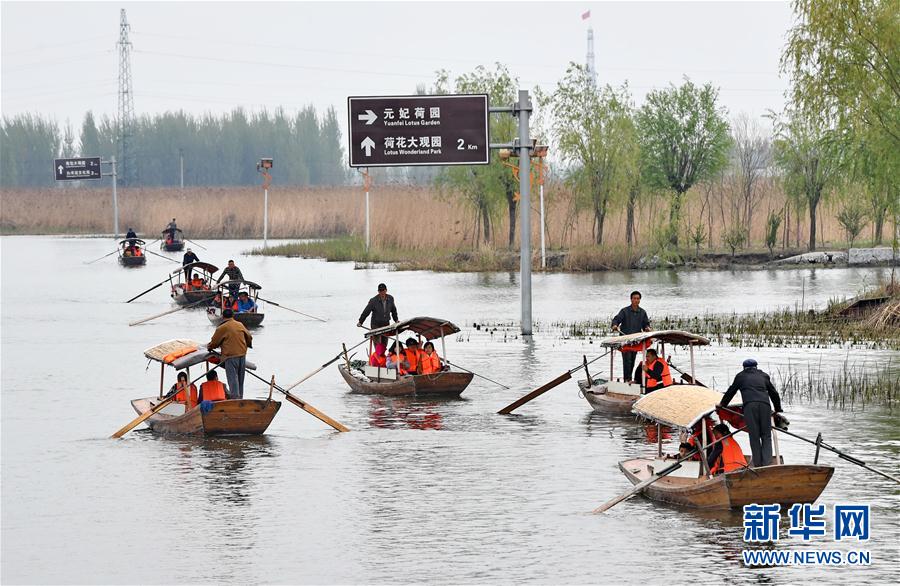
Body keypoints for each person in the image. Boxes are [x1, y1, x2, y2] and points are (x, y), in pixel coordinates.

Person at [718, 358, 784, 468]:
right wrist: (778, 408)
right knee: (766, 436)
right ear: (756, 367)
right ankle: (767, 464)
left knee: (754, 436)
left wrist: (723, 405)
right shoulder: (764, 375)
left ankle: (758, 465)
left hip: (750, 406)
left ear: (744, 368)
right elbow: (773, 393)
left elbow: (731, 391)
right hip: (765, 406)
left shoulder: (740, 376)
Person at [207, 308, 252, 399]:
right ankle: (240, 398)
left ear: (223, 317)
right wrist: (246, 346)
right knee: (240, 379)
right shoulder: (240, 325)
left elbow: (214, 342)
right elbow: (249, 337)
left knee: (233, 380)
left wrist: (209, 347)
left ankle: (235, 400)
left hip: (230, 357)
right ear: (233, 316)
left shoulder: (222, 327)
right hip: (242, 355)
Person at [611, 291, 651, 383]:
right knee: (627, 361)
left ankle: (629, 380)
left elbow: (646, 324)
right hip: (625, 342)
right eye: (634, 298)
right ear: (631, 299)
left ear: (640, 300)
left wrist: (647, 328)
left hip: (636, 342)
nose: (636, 300)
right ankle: (627, 380)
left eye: (638, 298)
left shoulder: (642, 312)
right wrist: (615, 325)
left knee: (632, 361)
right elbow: (616, 319)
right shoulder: (624, 311)